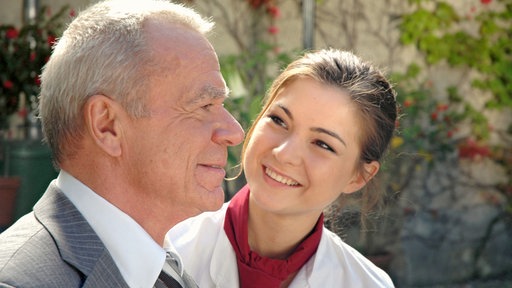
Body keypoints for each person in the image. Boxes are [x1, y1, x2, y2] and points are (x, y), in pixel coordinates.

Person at [0, 0, 244, 287]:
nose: (234, 132)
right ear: (107, 125)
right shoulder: (19, 282)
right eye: (204, 105)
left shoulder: (165, 268)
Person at [167, 49, 398, 287]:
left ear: (359, 176)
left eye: (322, 144)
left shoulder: (367, 283)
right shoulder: (166, 250)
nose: (284, 154)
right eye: (278, 120)